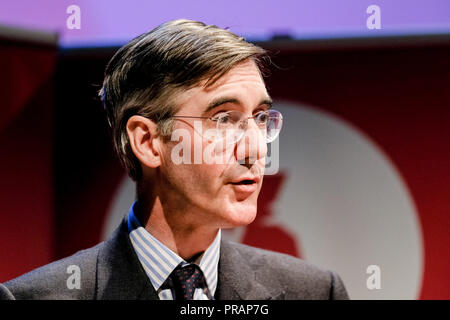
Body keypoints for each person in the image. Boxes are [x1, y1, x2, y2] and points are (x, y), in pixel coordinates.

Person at [2, 19, 348, 300]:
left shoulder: (314, 292)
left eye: (260, 117)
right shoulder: (37, 298)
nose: (256, 150)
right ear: (148, 141)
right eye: (224, 119)